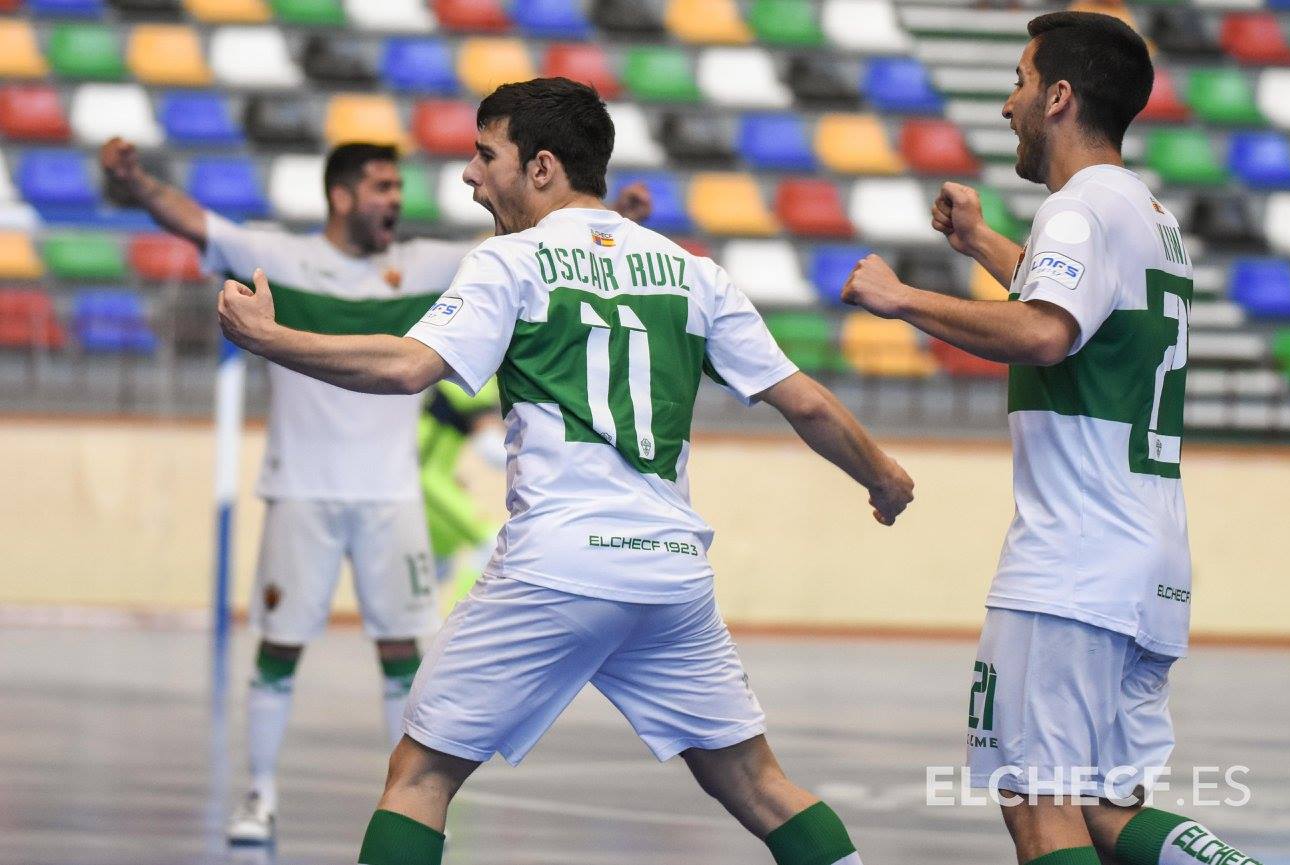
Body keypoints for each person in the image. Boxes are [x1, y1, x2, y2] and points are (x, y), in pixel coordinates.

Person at [216, 77, 915, 865]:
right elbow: (808, 404)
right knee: (758, 781)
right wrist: (883, 475)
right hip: (670, 572)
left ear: (541, 167)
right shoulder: (693, 271)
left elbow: (408, 368)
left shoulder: (509, 262)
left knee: (419, 777)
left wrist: (275, 340)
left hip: (559, 564)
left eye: (486, 156)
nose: (470, 176)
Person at [99, 138, 650, 846]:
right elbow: (189, 220)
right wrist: (135, 179)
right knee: (279, 647)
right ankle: (260, 793)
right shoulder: (281, 259)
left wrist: (606, 222)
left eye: (396, 187)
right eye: (382, 187)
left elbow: (530, 241)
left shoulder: (430, 266)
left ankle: (405, 794)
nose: (395, 199)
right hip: (301, 491)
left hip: (393, 499)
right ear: (341, 196)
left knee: (403, 653)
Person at [841, 12, 1264, 865]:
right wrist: (979, 241)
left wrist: (904, 300)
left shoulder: (1078, 212)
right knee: (1107, 809)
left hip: (1072, 563)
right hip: (1148, 567)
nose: (1008, 105)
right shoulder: (1145, 214)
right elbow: (1081, 305)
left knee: (1037, 800)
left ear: (1060, 98)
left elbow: (1044, 332)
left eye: (1022, 84)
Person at [418, 378, 504, 610]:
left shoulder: (448, 374)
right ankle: (458, 625)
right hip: (426, 483)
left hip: (430, 479)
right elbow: (493, 451)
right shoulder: (474, 377)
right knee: (494, 544)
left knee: (432, 573)